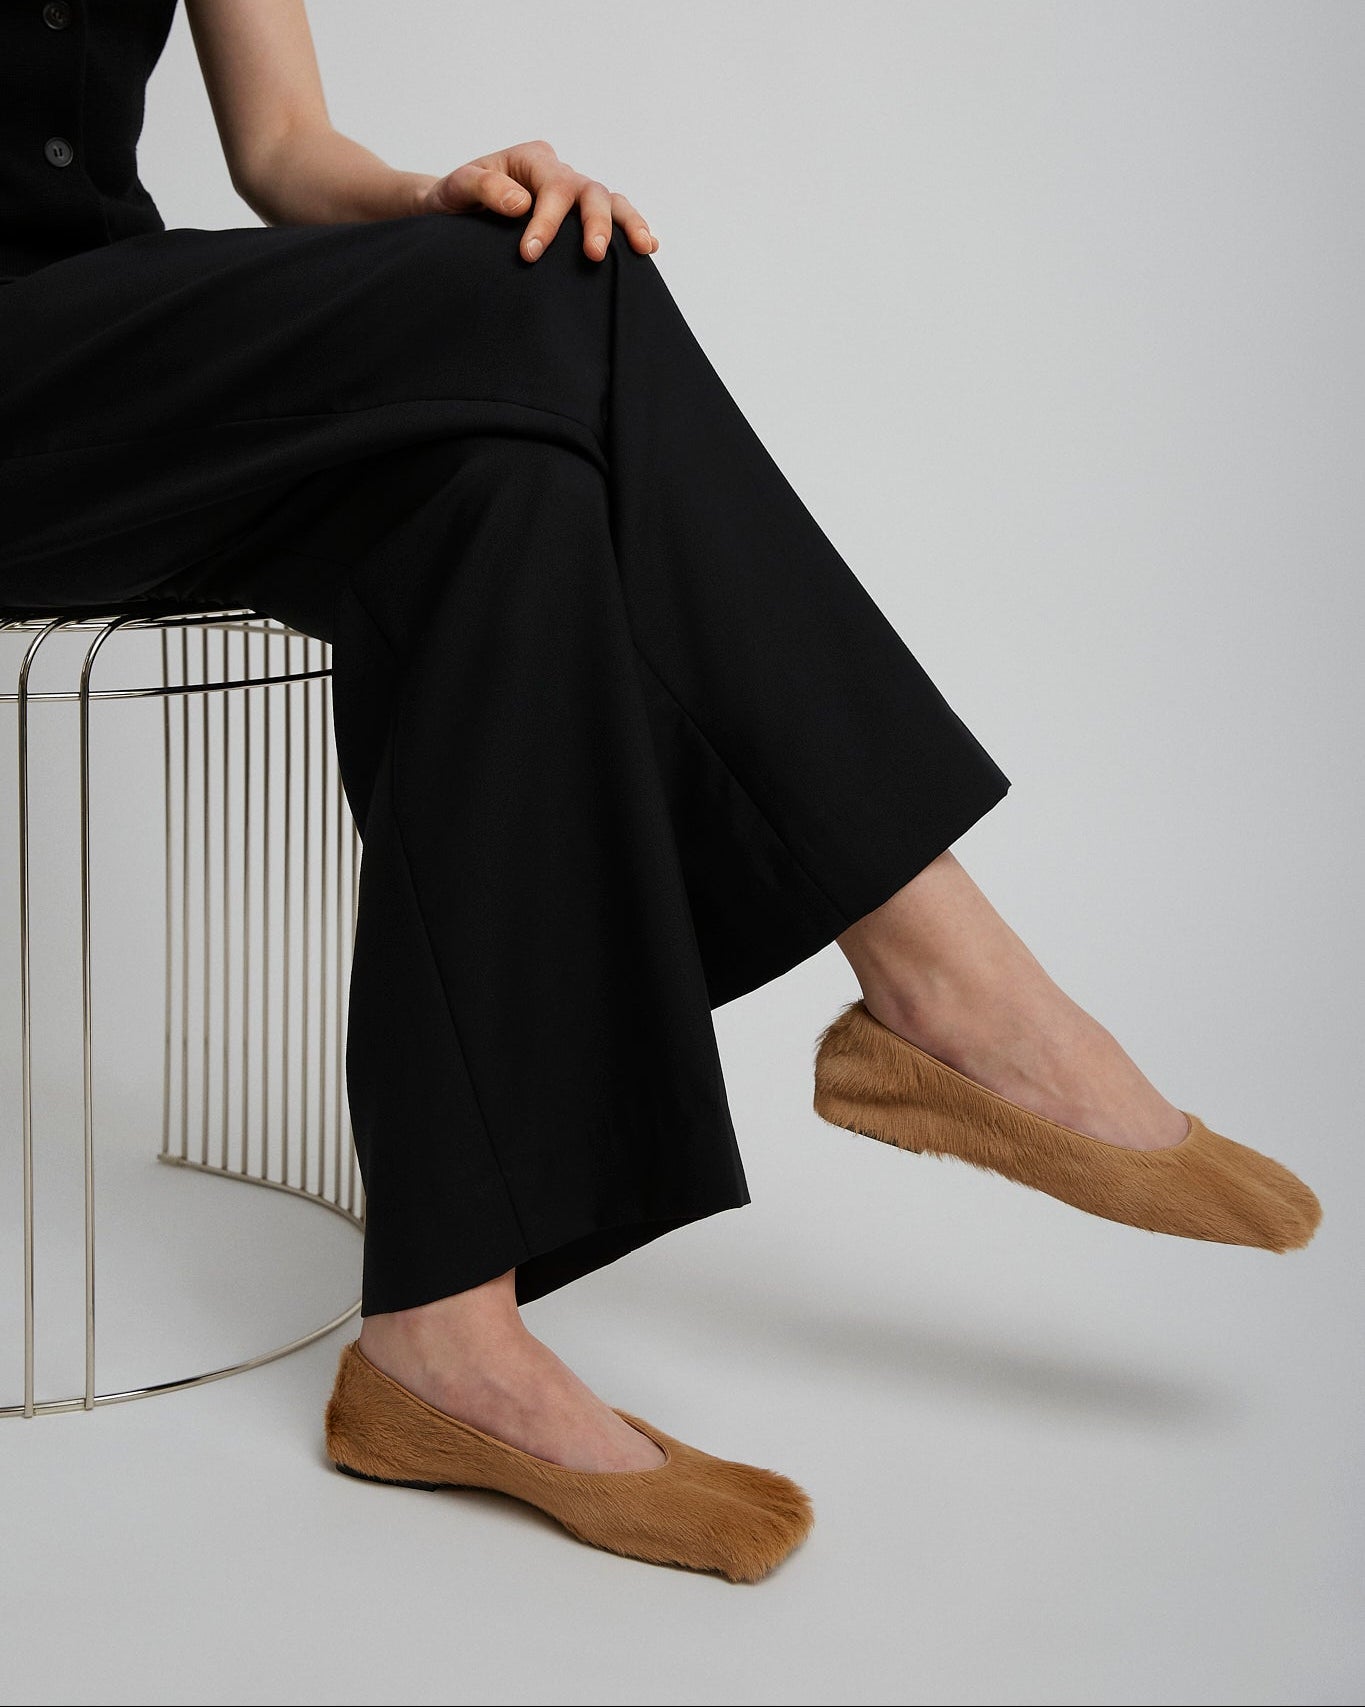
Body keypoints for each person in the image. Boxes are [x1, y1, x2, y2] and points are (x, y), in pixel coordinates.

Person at [0, 0, 1320, 1583]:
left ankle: (443, 1338)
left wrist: (424, 198)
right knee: (538, 301)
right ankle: (943, 981)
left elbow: (286, 150)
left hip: (110, 367)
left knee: (506, 487)